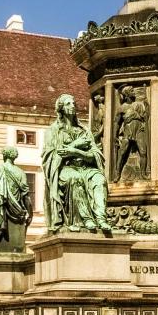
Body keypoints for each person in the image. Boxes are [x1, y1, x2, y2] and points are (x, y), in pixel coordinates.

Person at [42, 94, 110, 232]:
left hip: (86, 167)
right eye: (68, 104)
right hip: (65, 168)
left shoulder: (84, 131)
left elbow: (96, 155)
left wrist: (77, 152)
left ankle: (101, 218)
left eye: (73, 103)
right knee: (74, 179)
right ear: (61, 108)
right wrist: (76, 145)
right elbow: (51, 155)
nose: (73, 106)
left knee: (99, 179)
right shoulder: (54, 131)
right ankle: (86, 219)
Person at [114, 85, 149, 181]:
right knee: (122, 152)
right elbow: (117, 123)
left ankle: (143, 174)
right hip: (128, 131)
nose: (134, 92)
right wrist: (114, 136)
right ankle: (117, 174)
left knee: (143, 152)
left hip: (139, 130)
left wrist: (146, 106)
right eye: (132, 90)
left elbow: (145, 118)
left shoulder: (139, 105)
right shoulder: (122, 108)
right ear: (127, 94)